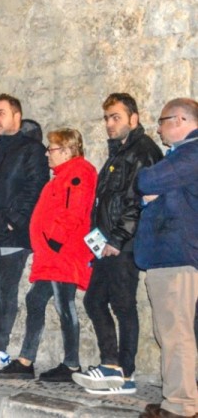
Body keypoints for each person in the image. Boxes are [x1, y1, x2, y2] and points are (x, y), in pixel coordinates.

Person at [73, 93, 162, 395]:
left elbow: (137, 200)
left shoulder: (142, 151)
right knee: (94, 300)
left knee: (123, 305)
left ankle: (125, 373)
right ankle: (111, 365)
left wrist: (117, 238)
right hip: (107, 243)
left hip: (123, 243)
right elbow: (107, 200)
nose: (109, 124)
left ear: (133, 119)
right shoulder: (119, 152)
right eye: (107, 118)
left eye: (116, 117)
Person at [0, 128, 97, 382]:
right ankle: (26, 361)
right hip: (53, 255)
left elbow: (74, 211)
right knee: (35, 300)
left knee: (64, 305)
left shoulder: (78, 173)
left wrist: (54, 240)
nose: (47, 154)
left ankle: (71, 365)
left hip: (63, 254)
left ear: (67, 150)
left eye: (51, 149)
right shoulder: (62, 176)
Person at [0, 94, 49, 375]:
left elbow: (35, 187)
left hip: (11, 235)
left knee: (5, 291)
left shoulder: (32, 150)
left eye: (1, 113)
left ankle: (0, 351)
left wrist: (14, 222)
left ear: (17, 116)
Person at [133, 98, 198, 418]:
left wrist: (154, 189)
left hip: (175, 255)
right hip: (172, 255)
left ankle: (181, 406)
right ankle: (179, 398)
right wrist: (155, 195)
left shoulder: (192, 152)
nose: (158, 129)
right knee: (172, 332)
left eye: (162, 121)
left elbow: (145, 180)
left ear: (181, 120)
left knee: (175, 333)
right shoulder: (182, 157)